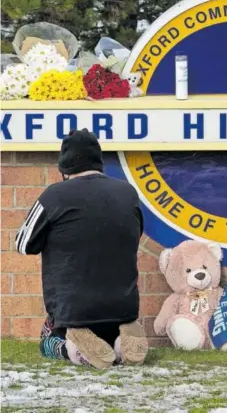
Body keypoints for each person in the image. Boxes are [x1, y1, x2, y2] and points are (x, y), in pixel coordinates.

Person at [15, 129, 148, 369]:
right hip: (123, 308)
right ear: (98, 162)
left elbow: (23, 244)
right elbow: (135, 235)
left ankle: (72, 348)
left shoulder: (54, 195)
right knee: (110, 337)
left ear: (64, 169)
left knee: (47, 340)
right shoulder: (128, 193)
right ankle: (121, 343)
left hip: (73, 311)